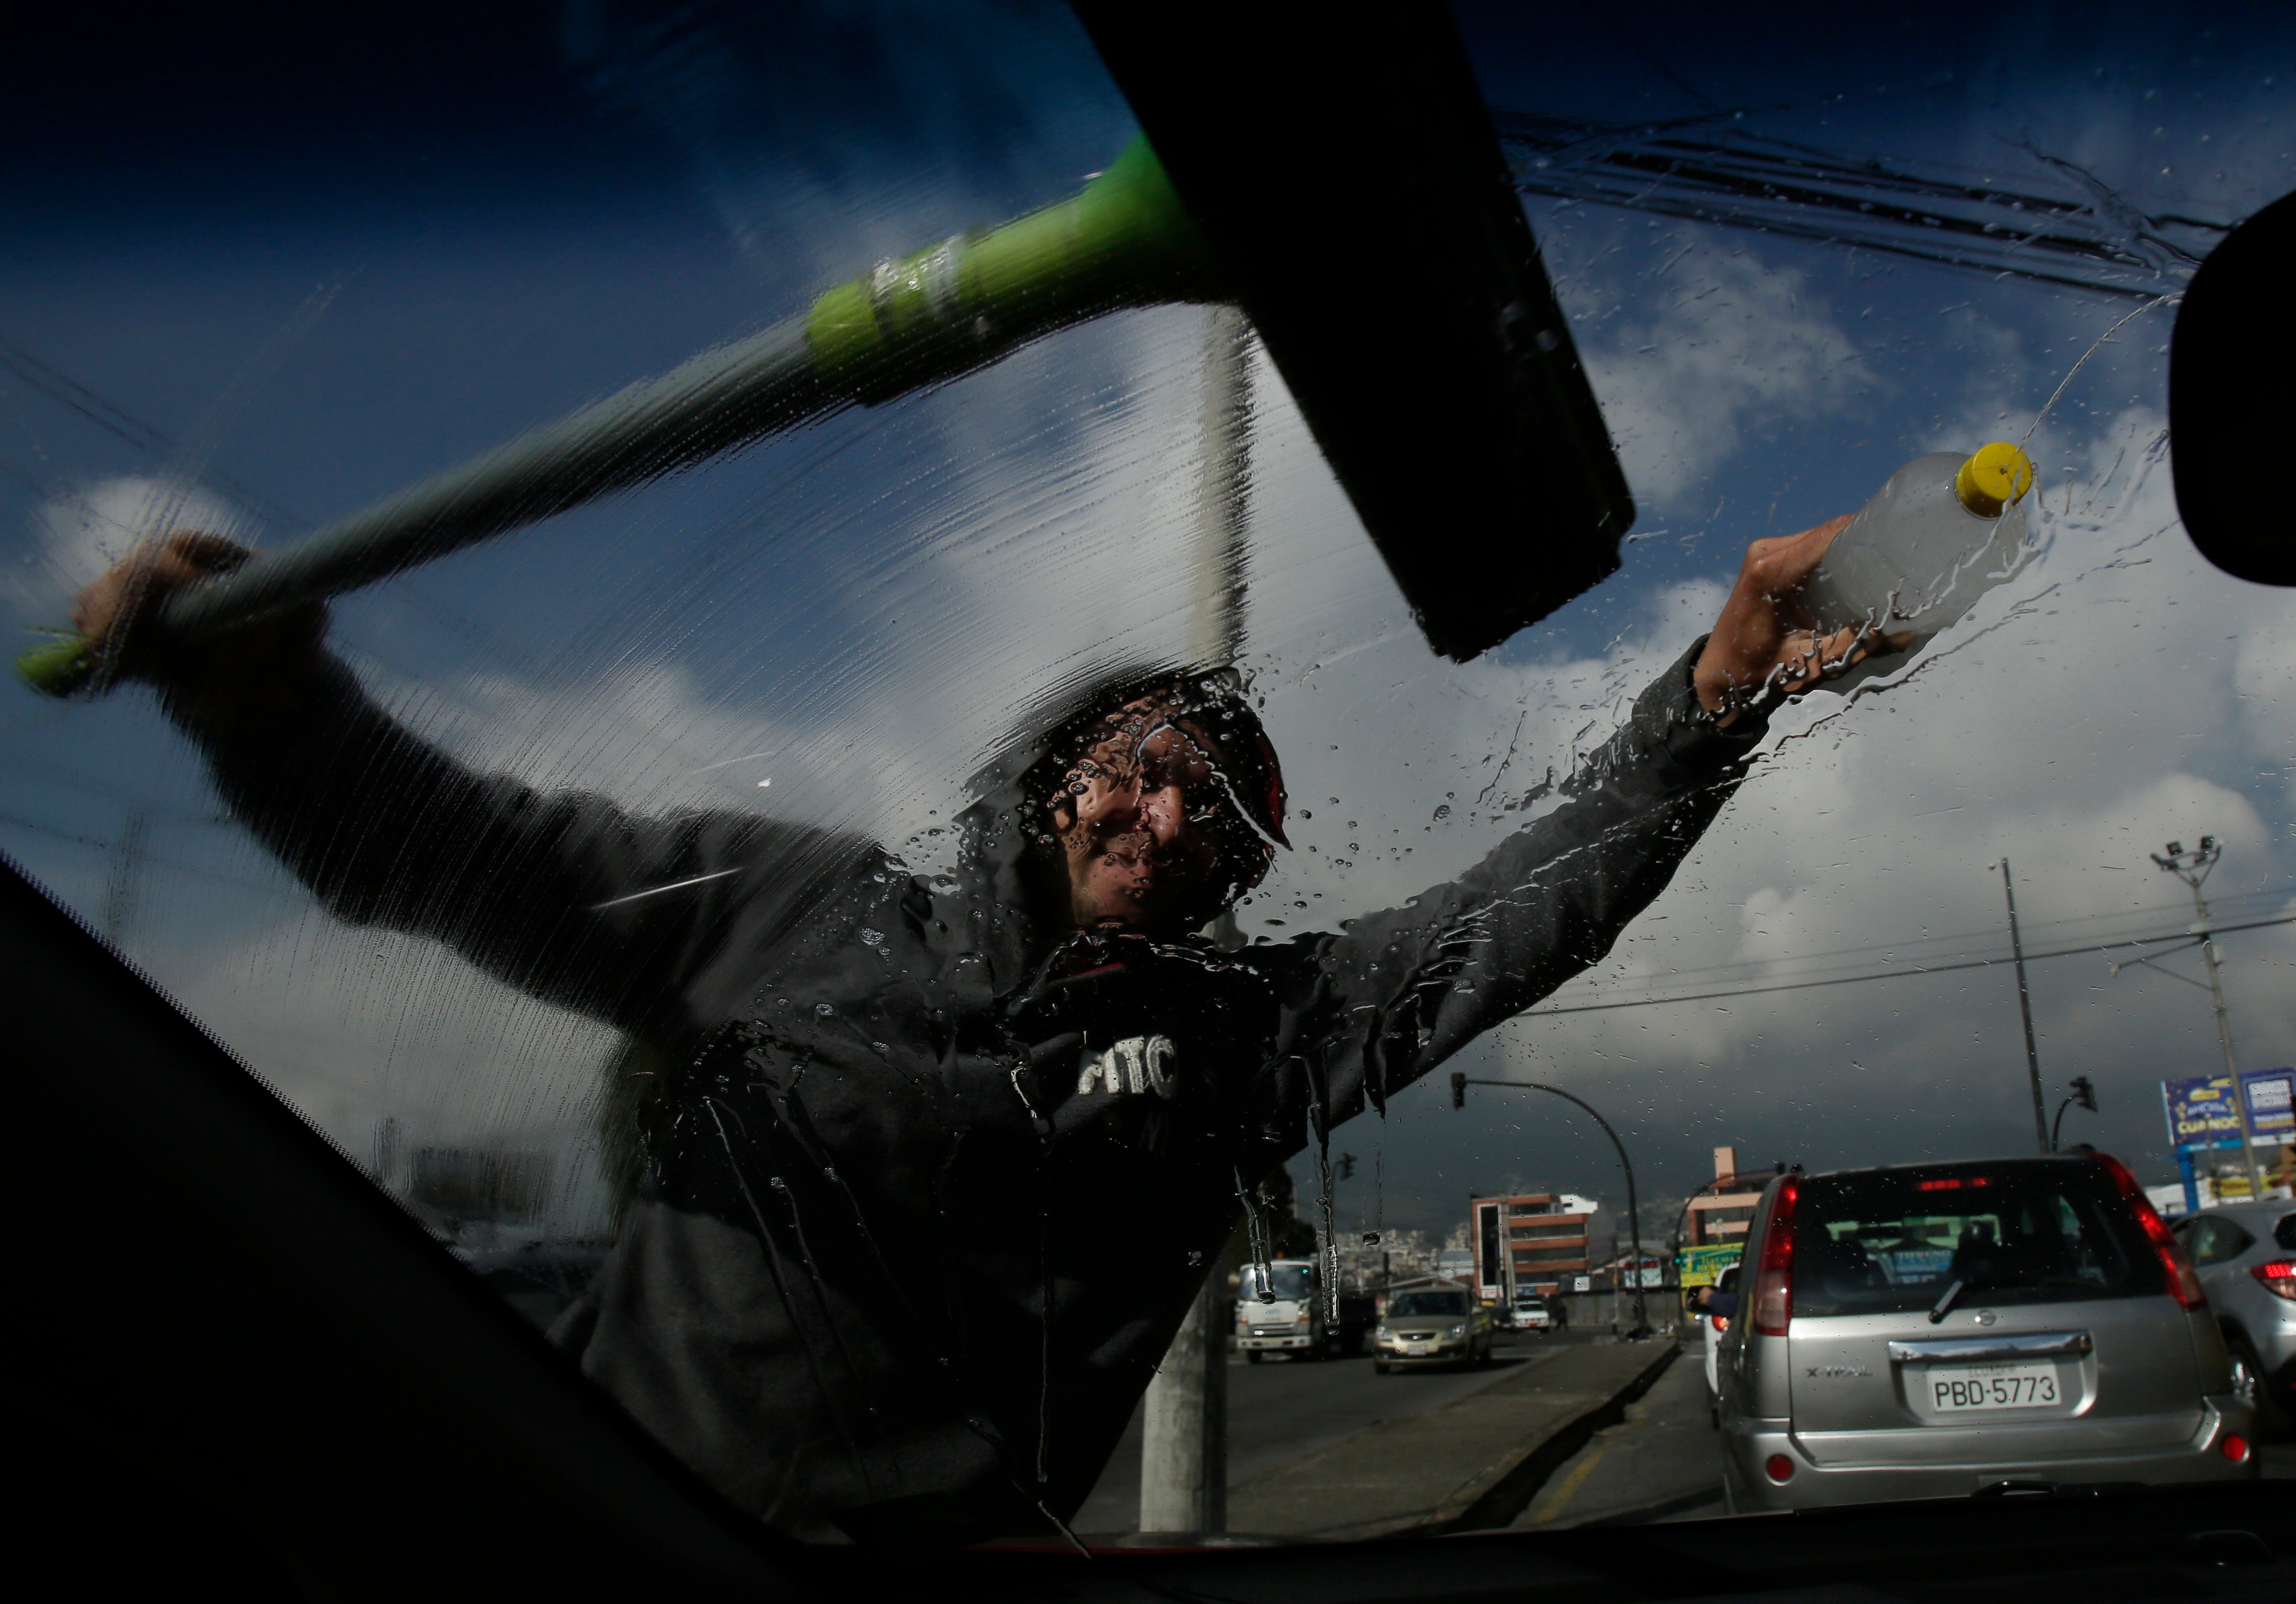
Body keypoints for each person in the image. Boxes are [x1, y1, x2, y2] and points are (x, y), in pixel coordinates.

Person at [73, 516, 1882, 1545]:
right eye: (1143, 772)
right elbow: (476, 862)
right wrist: (276, 710)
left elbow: (1520, 909)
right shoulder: (806, 909)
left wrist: (1715, 691)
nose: (1167, 826)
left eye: (1220, 821)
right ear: (1048, 782)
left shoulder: (1248, 1032)